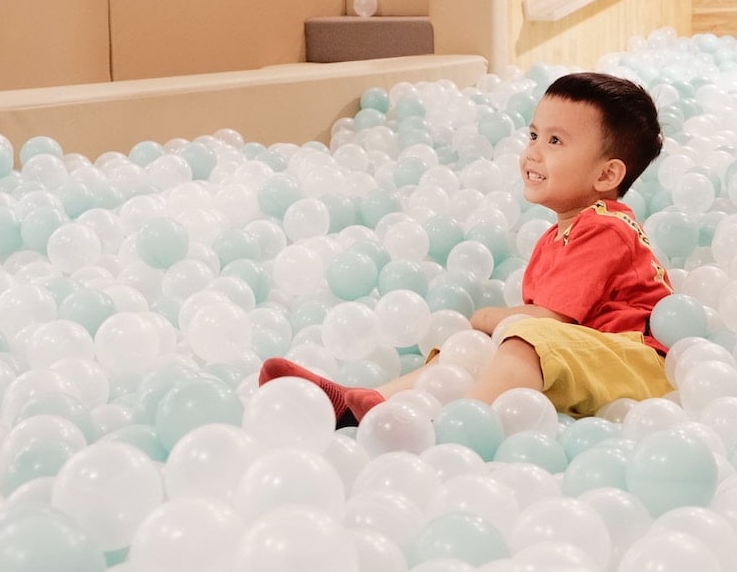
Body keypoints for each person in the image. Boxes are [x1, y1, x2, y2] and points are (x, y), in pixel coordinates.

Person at [258, 71, 673, 426]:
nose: (532, 151)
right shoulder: (558, 235)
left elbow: (551, 319)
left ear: (607, 174)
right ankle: (368, 404)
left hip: (632, 363)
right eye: (533, 135)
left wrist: (485, 316)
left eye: (555, 142)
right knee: (474, 346)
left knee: (522, 340)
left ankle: (456, 424)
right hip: (586, 359)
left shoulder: (606, 227)